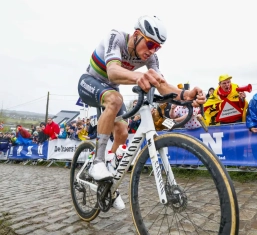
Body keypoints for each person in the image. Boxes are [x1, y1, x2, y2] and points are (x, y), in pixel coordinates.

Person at [77, 15, 205, 210]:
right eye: (150, 44)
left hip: (111, 89)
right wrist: (139, 76)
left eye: (157, 47)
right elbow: (112, 71)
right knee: (115, 99)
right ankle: (98, 162)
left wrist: (186, 94)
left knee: (123, 132)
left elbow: (162, 86)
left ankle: (107, 182)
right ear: (137, 35)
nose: (152, 51)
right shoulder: (116, 37)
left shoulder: (151, 57)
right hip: (90, 81)